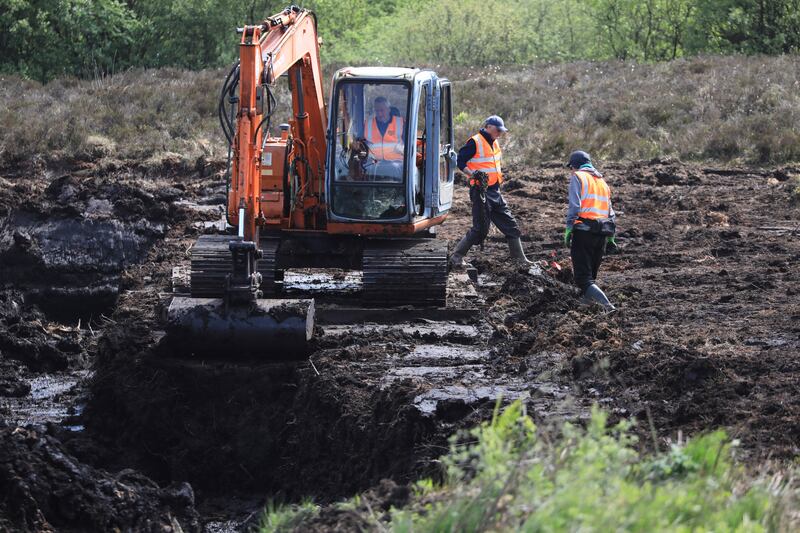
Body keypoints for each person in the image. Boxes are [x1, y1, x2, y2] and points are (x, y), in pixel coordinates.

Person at [449, 115, 533, 267]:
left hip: (495, 191)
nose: (500, 133)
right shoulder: (475, 142)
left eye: (501, 131)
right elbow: (460, 161)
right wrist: (472, 174)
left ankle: (520, 260)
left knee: (511, 226)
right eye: (498, 130)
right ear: (488, 127)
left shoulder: (495, 143)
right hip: (480, 191)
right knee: (480, 230)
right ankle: (456, 257)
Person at [563, 150, 617, 311]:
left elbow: (575, 206)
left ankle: (608, 307)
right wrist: (611, 237)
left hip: (584, 231)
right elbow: (610, 211)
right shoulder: (602, 182)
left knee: (583, 279)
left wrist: (568, 228)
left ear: (574, 165)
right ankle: (585, 307)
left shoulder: (578, 177)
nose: (571, 171)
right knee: (590, 277)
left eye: (571, 168)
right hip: (602, 233)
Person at [364, 96, 404, 161]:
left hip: (397, 164)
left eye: (382, 110)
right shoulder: (367, 124)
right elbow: (361, 143)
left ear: (389, 110)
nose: (379, 114)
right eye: (377, 111)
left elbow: (408, 145)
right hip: (372, 164)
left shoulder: (401, 123)